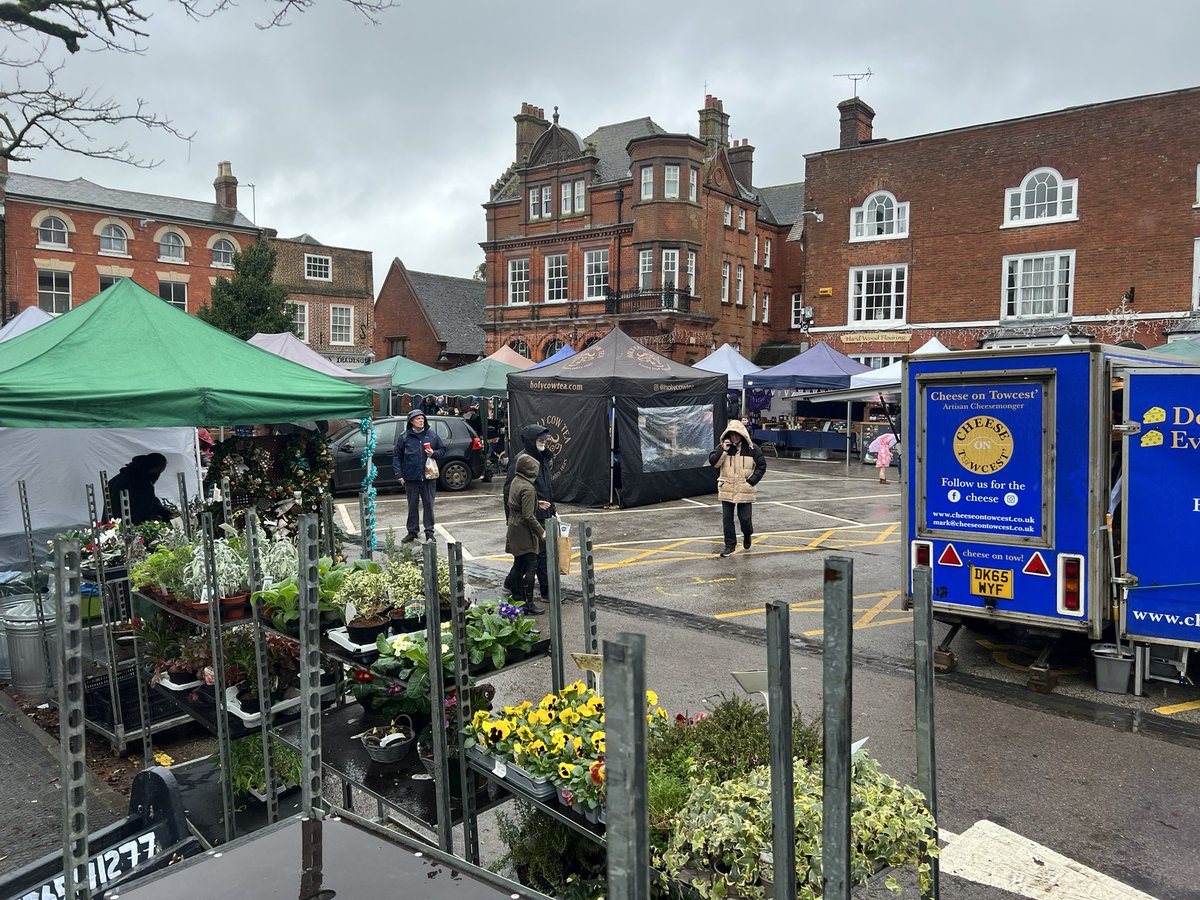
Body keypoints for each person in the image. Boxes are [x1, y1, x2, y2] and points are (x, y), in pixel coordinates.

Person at [502, 424, 555, 612]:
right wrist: (511, 520)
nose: (544, 442)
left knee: (531, 558)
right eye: (540, 439)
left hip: (539, 512)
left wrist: (552, 509)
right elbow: (509, 492)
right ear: (531, 440)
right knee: (532, 558)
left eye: (545, 438)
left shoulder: (541, 457)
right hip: (530, 519)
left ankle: (515, 588)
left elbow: (545, 487)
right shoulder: (522, 461)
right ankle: (532, 595)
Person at [709, 420, 766, 558]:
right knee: (727, 519)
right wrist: (723, 450)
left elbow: (761, 466)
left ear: (742, 434)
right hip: (727, 487)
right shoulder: (722, 447)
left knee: (745, 519)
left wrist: (751, 481)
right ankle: (730, 545)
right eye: (732, 434)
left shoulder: (753, 449)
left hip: (744, 488)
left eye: (737, 434)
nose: (734, 437)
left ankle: (747, 534)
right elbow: (714, 463)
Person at [392, 409, 445, 543]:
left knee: (428, 504)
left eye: (422, 418)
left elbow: (442, 450)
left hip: (428, 477)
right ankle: (412, 531)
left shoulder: (432, 435)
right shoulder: (404, 437)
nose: (421, 421)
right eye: (417, 419)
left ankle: (429, 532)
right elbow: (396, 456)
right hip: (411, 477)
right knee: (412, 505)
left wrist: (433, 453)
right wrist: (399, 474)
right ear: (411, 422)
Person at [505, 454, 546, 613]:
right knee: (531, 565)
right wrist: (541, 532)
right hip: (523, 529)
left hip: (514, 525)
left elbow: (517, 504)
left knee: (519, 563)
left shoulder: (517, 480)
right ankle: (528, 604)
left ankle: (517, 597)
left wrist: (536, 503)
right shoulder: (528, 488)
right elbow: (528, 515)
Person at [106, 453, 173, 524]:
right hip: (126, 525)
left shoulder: (119, 477)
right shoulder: (140, 482)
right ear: (157, 469)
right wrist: (165, 515)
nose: (159, 474)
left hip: (112, 524)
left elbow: (150, 501)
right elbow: (146, 507)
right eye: (160, 471)